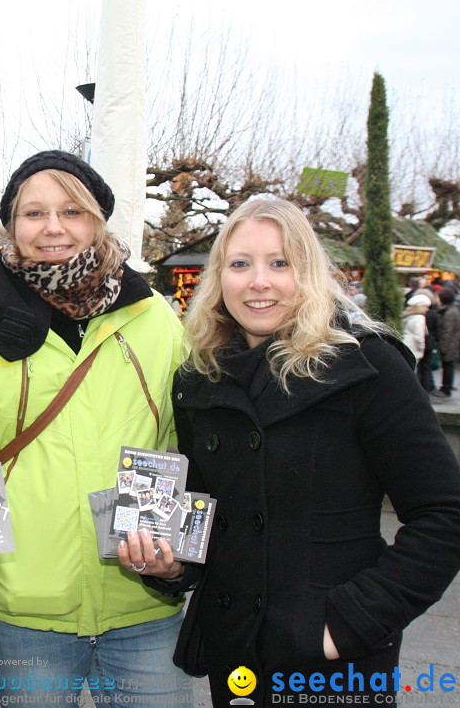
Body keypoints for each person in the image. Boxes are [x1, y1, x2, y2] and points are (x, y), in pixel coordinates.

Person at [121, 198, 460, 705]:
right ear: (219, 278)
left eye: (280, 263)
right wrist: (174, 567)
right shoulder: (200, 376)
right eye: (240, 264)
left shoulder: (366, 367)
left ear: (310, 271)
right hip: (236, 657)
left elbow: (444, 515)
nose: (259, 281)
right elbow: (210, 513)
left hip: (334, 665)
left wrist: (349, 624)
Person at [0, 150, 191, 705]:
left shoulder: (156, 320)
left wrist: (184, 556)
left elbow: (183, 445)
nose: (53, 226)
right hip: (23, 608)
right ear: (11, 226)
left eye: (71, 210)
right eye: (33, 213)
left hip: (145, 606)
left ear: (98, 219)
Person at [436, 287, 460, 397]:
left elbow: (447, 331)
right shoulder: (452, 310)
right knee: (448, 366)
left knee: (448, 366)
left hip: (450, 344)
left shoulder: (450, 313)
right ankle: (446, 387)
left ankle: (446, 388)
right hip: (452, 343)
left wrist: (443, 347)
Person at [402, 293, 431, 365]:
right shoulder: (419, 318)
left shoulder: (407, 315)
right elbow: (419, 336)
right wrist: (422, 349)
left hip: (406, 345)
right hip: (414, 348)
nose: (427, 309)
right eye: (425, 306)